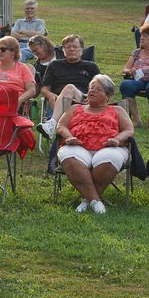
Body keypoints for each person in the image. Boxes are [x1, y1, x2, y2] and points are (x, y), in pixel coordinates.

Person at [56, 74, 134, 214]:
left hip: (109, 147)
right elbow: (61, 126)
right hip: (78, 146)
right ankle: (96, 201)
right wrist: (69, 137)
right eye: (91, 88)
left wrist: (116, 139)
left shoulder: (117, 111)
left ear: (108, 96)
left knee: (111, 158)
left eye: (98, 89)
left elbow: (129, 130)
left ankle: (88, 200)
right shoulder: (75, 109)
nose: (92, 91)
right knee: (69, 158)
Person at [37, 34, 100, 140]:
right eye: (68, 47)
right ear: (63, 50)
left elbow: (101, 87)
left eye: (75, 47)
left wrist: (91, 98)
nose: (71, 49)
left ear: (81, 49)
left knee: (69, 88)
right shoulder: (54, 65)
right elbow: (44, 89)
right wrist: (50, 95)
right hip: (58, 101)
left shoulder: (91, 66)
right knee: (67, 91)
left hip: (83, 101)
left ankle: (52, 124)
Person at [0, 36, 36, 108]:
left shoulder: (22, 68)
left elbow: (32, 90)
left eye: (3, 49)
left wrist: (19, 99)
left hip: (10, 103)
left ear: (13, 52)